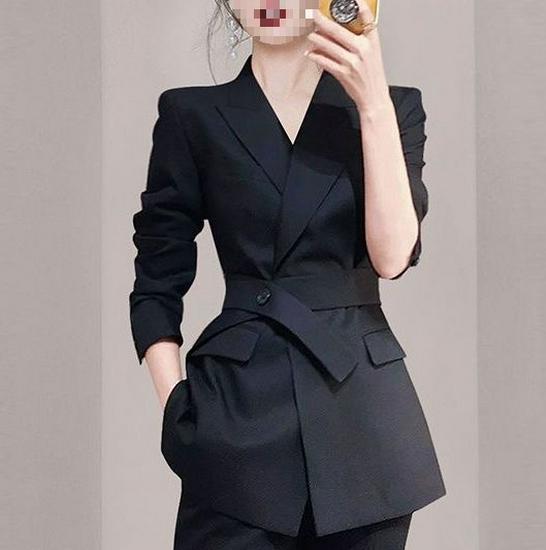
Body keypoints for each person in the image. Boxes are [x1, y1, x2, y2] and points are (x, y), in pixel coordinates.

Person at [129, 1, 446, 548]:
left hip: (362, 417)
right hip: (235, 414)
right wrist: (176, 404)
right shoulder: (192, 114)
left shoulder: (392, 107)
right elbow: (158, 274)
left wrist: (371, 102)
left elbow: (393, 257)